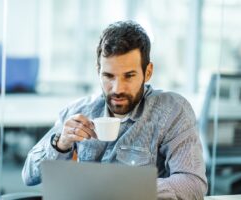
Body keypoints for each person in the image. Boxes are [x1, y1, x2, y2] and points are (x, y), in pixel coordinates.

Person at [22, 20, 207, 199]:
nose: (117, 88)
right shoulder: (79, 110)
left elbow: (193, 184)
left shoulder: (171, 111)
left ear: (148, 72)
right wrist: (60, 144)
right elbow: (28, 176)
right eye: (108, 76)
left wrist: (123, 190)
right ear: (98, 71)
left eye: (129, 76)